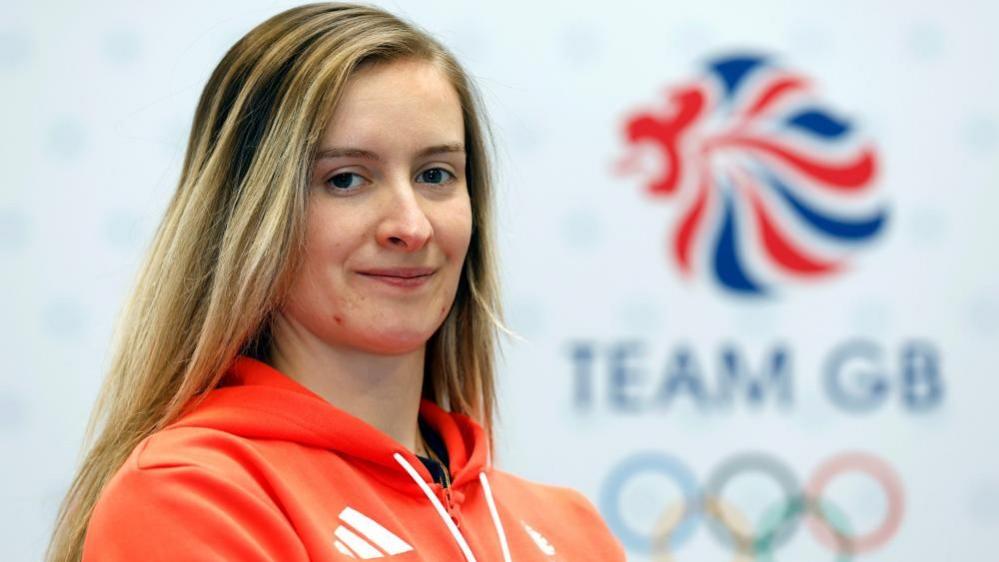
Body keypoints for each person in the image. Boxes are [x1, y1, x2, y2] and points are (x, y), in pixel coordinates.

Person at [45, 3, 626, 561]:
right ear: (251, 216)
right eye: (346, 179)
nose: (411, 225)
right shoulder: (193, 496)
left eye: (435, 175)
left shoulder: (570, 530)